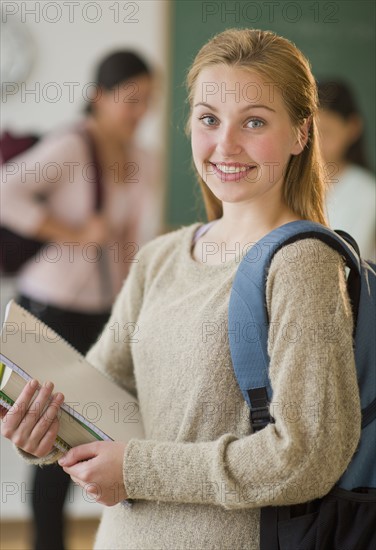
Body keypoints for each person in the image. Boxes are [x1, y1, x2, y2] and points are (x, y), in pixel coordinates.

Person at [1, 29, 361, 550]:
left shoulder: (301, 263)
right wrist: (45, 431)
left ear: (301, 134)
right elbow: (98, 394)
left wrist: (137, 469)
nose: (225, 144)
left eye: (254, 122)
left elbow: (304, 457)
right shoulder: (160, 256)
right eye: (209, 119)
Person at [0, 50, 162, 550]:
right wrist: (70, 231)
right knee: (47, 441)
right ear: (98, 97)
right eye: (128, 100)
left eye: (146, 102)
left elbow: (131, 241)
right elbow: (5, 191)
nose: (138, 112)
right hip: (47, 309)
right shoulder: (72, 144)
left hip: (104, 311)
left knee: (109, 432)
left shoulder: (143, 159)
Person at [317, 79, 376, 260]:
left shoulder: (368, 193)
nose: (316, 143)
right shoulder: (283, 184)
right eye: (310, 131)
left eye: (326, 132)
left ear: (352, 128)